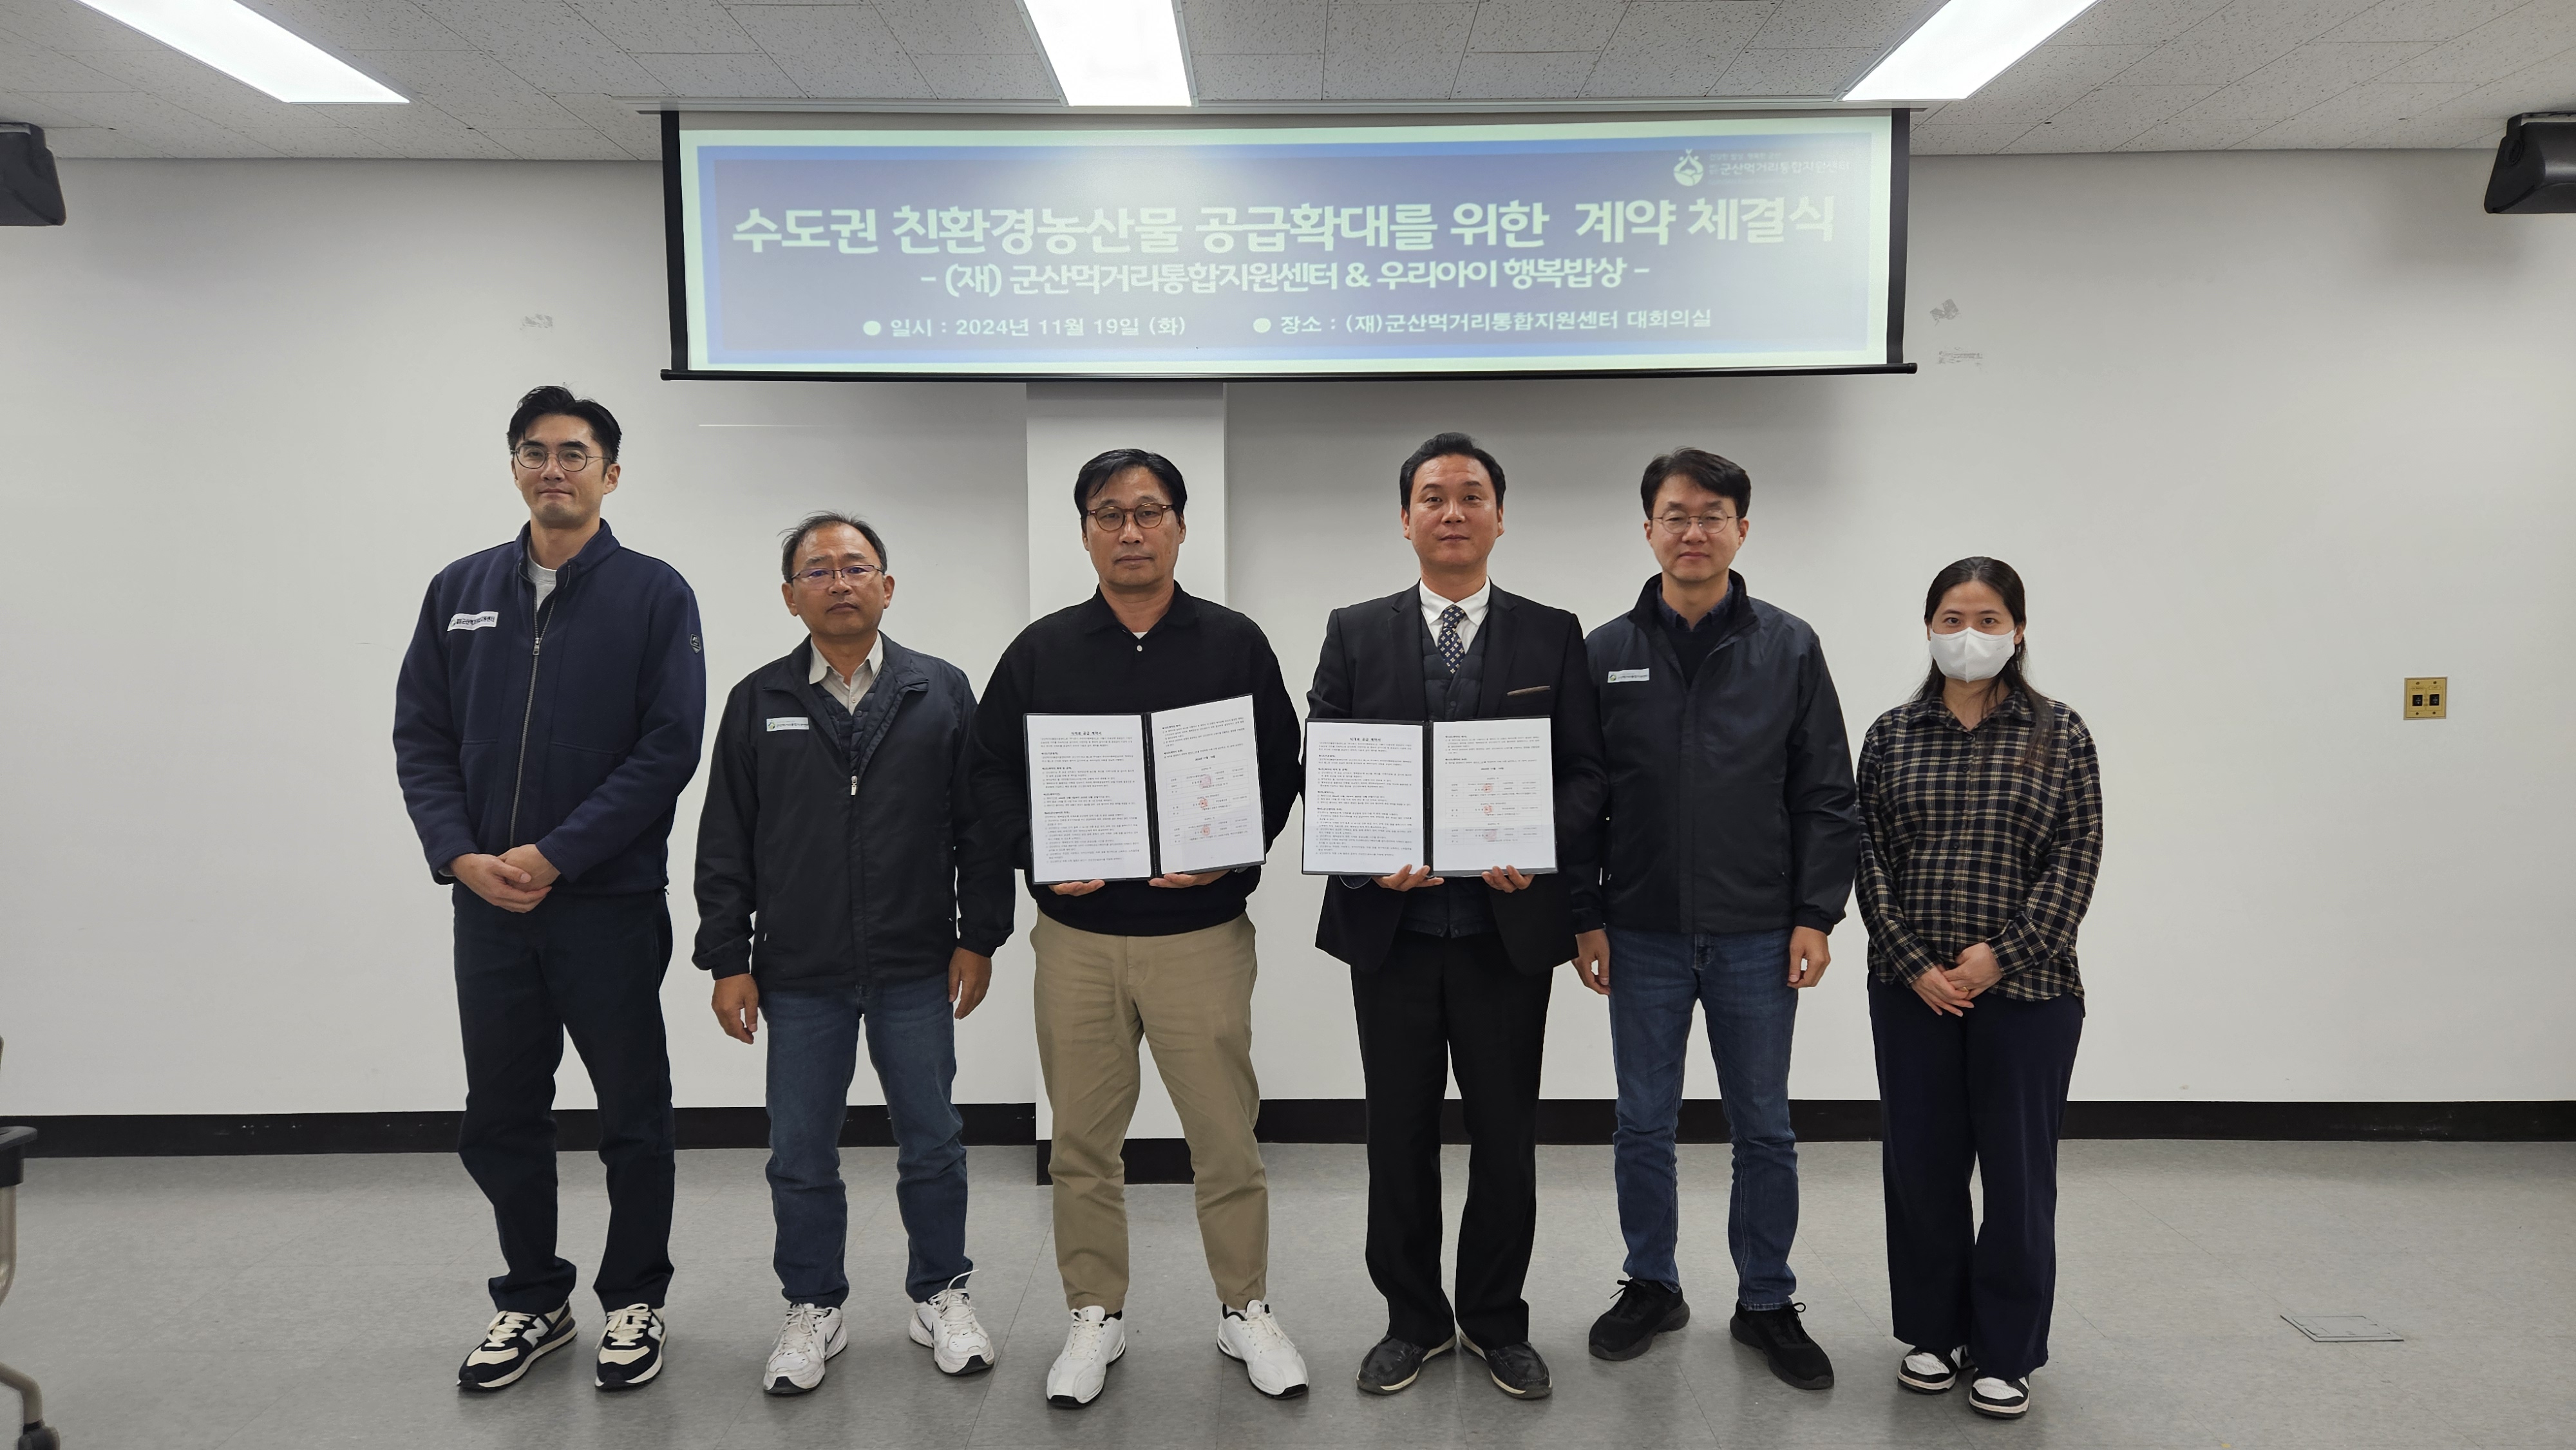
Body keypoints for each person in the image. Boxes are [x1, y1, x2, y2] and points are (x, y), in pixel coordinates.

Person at [968, 448, 1309, 1408]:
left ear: (1180, 527)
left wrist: (1233, 854)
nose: (1130, 530)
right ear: (1085, 532)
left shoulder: (1234, 643)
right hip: (1077, 941)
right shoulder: (1041, 651)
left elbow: (1280, 765)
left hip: (1202, 935)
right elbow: (988, 775)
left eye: (1149, 511)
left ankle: (1244, 1307)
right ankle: (1095, 1314)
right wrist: (1038, 852)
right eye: (1109, 514)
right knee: (1082, 1143)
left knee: (1226, 1139)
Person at [393, 385, 706, 1393]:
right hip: (487, 905)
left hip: (607, 906)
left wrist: (559, 853)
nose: (553, 468)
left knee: (633, 1115)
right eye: (535, 452)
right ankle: (533, 1299)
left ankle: (637, 1298)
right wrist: (459, 856)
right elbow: (422, 739)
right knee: (501, 1114)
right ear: (515, 469)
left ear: (610, 473)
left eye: (574, 453)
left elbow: (668, 749)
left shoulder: (655, 594)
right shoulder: (458, 589)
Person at [1307, 432, 1607, 1402]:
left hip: (1503, 936)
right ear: (1405, 520)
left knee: (1506, 1138)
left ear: (1499, 517)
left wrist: (1538, 843)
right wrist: (1367, 856)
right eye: (1432, 496)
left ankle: (1495, 1319)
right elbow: (1327, 765)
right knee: (1396, 1136)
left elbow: (1586, 771)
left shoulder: (1551, 633)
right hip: (1391, 936)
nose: (1452, 511)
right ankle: (1413, 1320)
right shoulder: (1355, 631)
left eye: (1471, 495)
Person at [692, 513, 1013, 1396]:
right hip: (798, 971)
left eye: (856, 566)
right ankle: (813, 1306)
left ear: (887, 586)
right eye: (818, 570)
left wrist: (978, 935)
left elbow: (981, 830)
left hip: (917, 961)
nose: (839, 582)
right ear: (790, 596)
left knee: (933, 1140)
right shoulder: (758, 700)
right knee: (800, 1151)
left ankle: (941, 1293)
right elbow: (725, 840)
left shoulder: (939, 690)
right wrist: (727, 959)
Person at [1580, 449, 1859, 1386]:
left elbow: (1825, 792)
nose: (1692, 531)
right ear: (1648, 529)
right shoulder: (1605, 651)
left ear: (1742, 529)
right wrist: (1585, 916)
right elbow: (1582, 800)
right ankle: (1651, 1284)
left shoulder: (1789, 646)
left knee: (1764, 1128)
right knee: (1641, 1123)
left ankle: (1767, 1299)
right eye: (1675, 514)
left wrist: (1816, 914)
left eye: (1712, 515)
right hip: (1641, 928)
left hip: (1758, 931)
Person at [1855, 556, 2104, 1421]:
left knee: (2018, 1176)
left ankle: (2006, 1349)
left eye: (1989, 620)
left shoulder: (2061, 733)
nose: (1970, 635)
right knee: (1921, 1169)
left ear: (2019, 631)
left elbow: (2078, 856)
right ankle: (1933, 1332)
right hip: (1911, 991)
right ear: (1928, 629)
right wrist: (1914, 964)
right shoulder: (1891, 734)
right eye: (1953, 619)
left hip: (2030, 993)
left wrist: (2001, 956)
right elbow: (1867, 855)